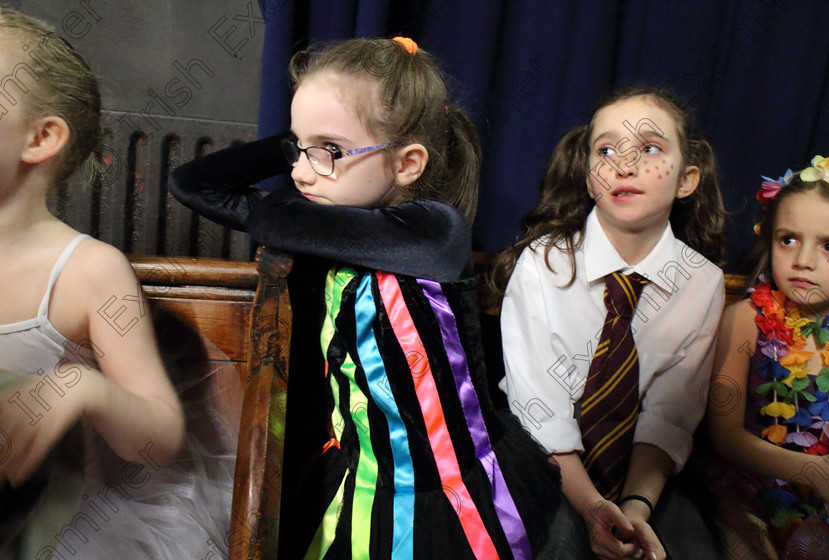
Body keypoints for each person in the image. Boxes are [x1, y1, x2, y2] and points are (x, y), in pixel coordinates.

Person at [170, 36, 562, 559]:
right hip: (363, 477)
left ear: (407, 165)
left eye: (330, 151)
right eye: (297, 149)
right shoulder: (332, 212)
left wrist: (308, 137)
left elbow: (206, 190)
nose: (301, 171)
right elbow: (193, 183)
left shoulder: (431, 232)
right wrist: (309, 134)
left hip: (442, 496)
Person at [0, 9, 235, 559]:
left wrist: (85, 388)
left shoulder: (87, 271)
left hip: (52, 530)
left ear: (40, 137)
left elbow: (158, 437)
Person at [491, 86, 727, 559]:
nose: (623, 164)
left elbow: (669, 416)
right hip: (542, 461)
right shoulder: (543, 264)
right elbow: (541, 412)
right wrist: (593, 506)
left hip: (640, 474)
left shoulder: (702, 282)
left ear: (687, 179)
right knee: (558, 546)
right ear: (588, 176)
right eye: (605, 151)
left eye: (650, 149)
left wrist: (636, 508)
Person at [708, 156, 829, 559]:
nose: (803, 260)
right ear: (769, 240)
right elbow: (724, 436)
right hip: (751, 493)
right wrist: (811, 472)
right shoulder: (745, 322)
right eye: (789, 239)